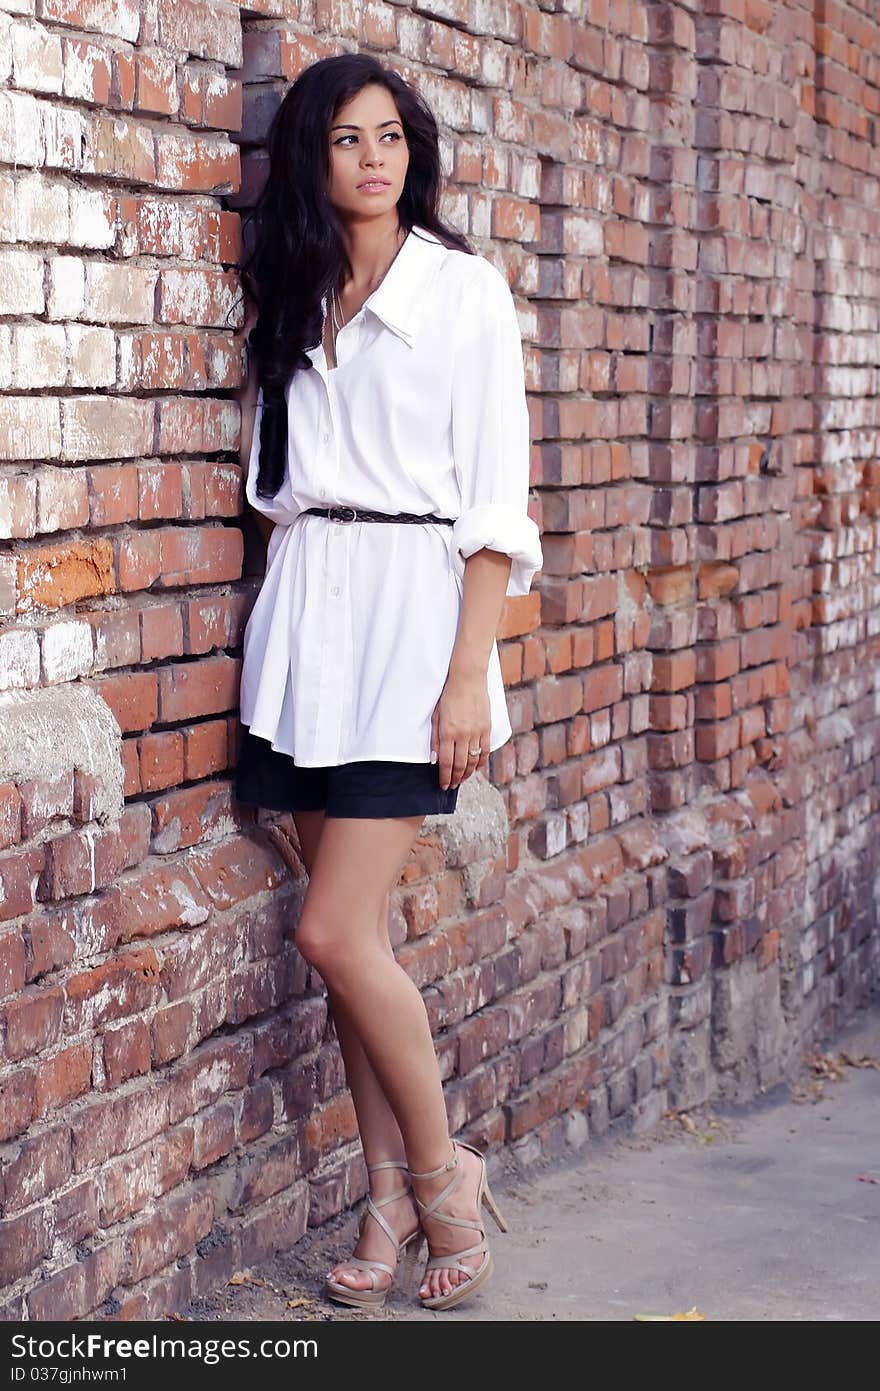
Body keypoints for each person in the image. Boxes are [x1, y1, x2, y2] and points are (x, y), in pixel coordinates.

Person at [233, 52, 543, 1313]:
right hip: (309, 627)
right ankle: (379, 1195)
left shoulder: (464, 294)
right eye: (348, 140)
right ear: (313, 160)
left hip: (416, 633)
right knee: (351, 946)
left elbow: (495, 511)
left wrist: (468, 676)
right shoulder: (297, 295)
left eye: (392, 138)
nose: (374, 159)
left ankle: (443, 1174)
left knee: (329, 930)